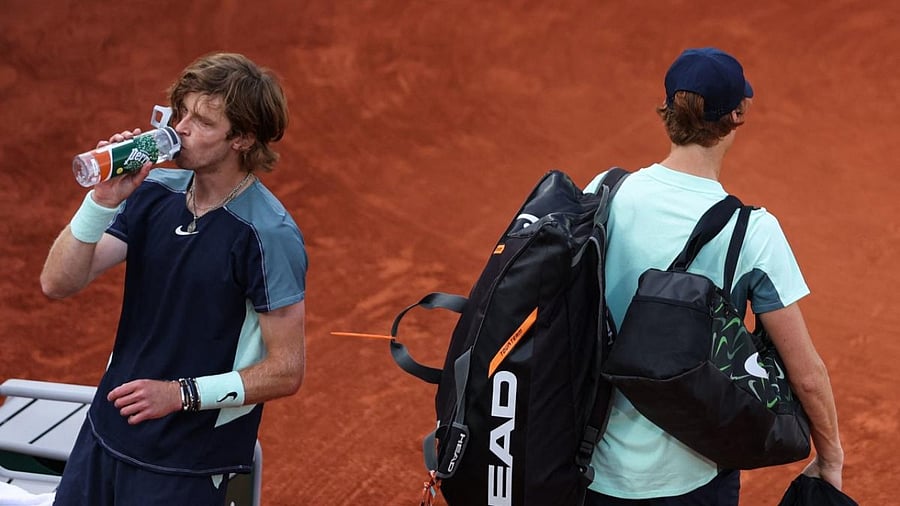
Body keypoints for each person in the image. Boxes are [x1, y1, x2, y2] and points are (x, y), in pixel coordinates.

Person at [40, 52, 307, 505]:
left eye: (202, 121)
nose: (180, 129)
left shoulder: (268, 235)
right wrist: (102, 200)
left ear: (242, 138)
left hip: (186, 463)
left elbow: (286, 371)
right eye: (180, 112)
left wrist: (179, 395)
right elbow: (57, 282)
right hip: (105, 434)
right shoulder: (154, 192)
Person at [583, 47, 844, 505]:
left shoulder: (605, 191)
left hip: (590, 471)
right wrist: (830, 456)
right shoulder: (752, 232)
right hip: (692, 482)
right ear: (737, 115)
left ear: (668, 111)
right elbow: (807, 376)